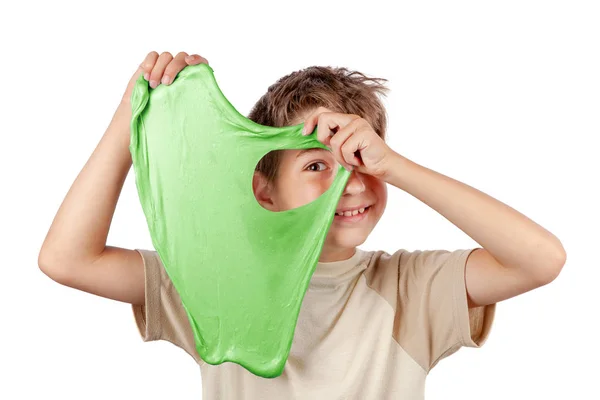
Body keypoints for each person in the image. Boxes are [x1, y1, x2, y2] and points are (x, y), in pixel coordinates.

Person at [38, 50, 567, 399]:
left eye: (361, 158)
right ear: (263, 188)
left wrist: (395, 166)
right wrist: (128, 123)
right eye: (317, 165)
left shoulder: (412, 287)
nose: (350, 183)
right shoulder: (211, 278)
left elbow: (541, 259)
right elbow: (66, 260)